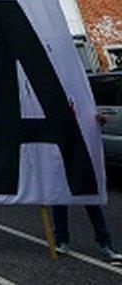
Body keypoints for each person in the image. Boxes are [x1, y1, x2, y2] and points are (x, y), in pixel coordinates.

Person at [52, 113, 122, 265]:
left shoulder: (84, 104)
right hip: (62, 157)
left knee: (91, 202)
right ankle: (62, 240)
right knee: (59, 200)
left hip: (81, 159)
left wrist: (98, 124)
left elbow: (91, 126)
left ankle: (105, 245)